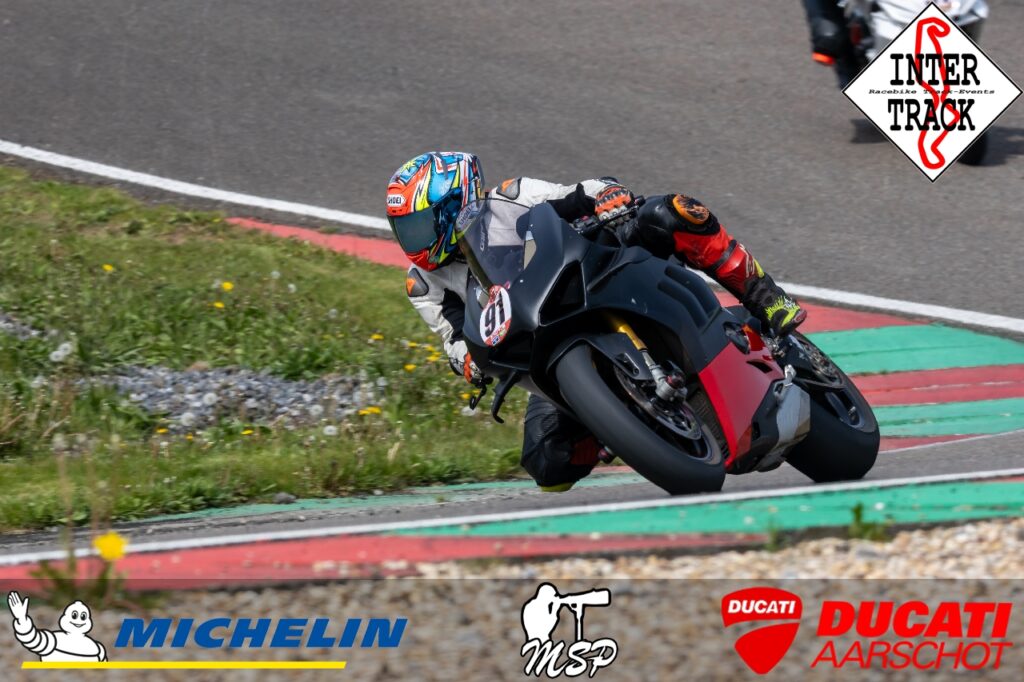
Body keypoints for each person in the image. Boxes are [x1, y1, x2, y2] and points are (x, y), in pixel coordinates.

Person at [385, 151, 806, 492]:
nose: (414, 240)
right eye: (405, 229)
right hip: (542, 339)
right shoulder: (423, 283)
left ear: (454, 204)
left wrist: (606, 196)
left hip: (593, 273)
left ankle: (764, 296)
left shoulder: (511, 196)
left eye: (420, 225)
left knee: (669, 212)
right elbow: (453, 336)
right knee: (546, 463)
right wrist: (466, 360)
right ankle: (619, 424)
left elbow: (579, 193)